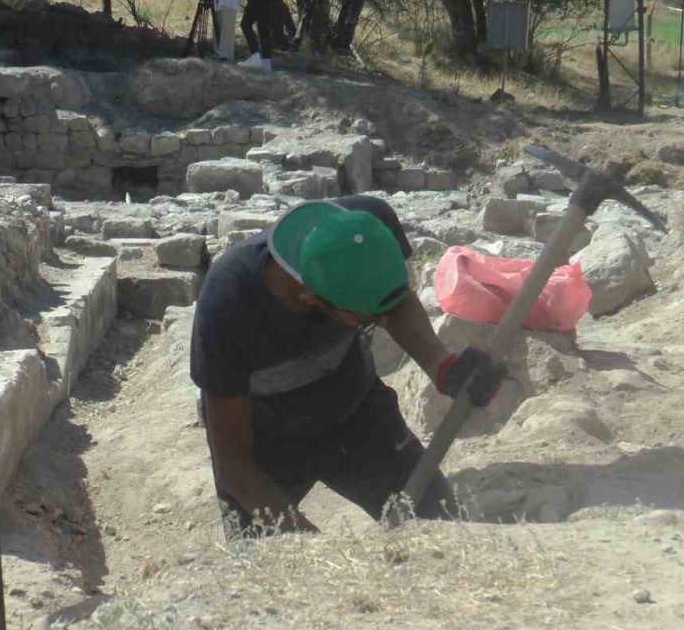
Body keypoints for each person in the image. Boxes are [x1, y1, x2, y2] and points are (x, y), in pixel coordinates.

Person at [191, 197, 506, 537]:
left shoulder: (368, 226)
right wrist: (315, 552)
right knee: (264, 569)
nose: (379, 322)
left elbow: (393, 303)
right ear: (310, 298)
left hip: (354, 413)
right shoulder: (228, 304)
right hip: (263, 439)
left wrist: (441, 366)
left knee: (442, 529)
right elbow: (234, 465)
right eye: (367, 320)